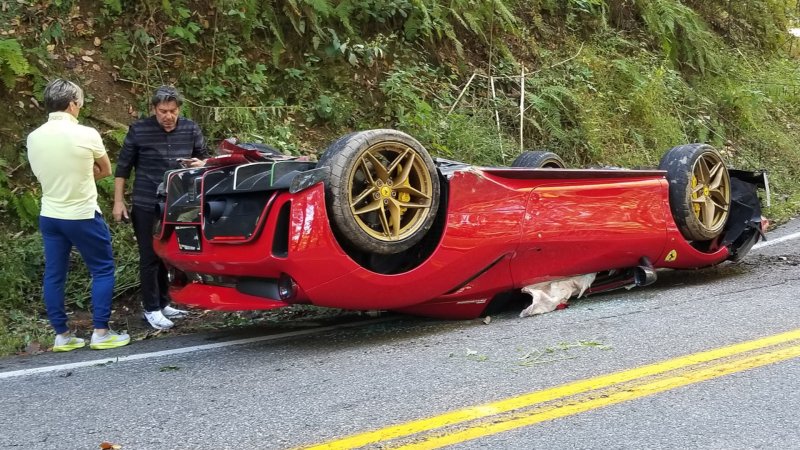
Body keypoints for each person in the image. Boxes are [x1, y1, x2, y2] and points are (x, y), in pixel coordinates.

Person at [27, 79, 131, 351]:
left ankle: (62, 336)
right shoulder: (87, 134)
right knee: (103, 269)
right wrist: (83, 176)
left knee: (54, 274)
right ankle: (100, 332)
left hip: (49, 214)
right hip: (82, 214)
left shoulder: (34, 137)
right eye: (79, 103)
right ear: (73, 104)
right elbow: (106, 170)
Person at [113, 85, 209, 330]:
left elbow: (205, 159)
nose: (168, 116)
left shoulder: (190, 128)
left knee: (170, 254)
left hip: (178, 201)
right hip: (146, 202)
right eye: (162, 111)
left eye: (172, 111)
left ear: (179, 109)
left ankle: (165, 302)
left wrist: (202, 163)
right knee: (149, 256)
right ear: (154, 109)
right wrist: (118, 201)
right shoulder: (139, 130)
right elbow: (123, 168)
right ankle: (151, 308)